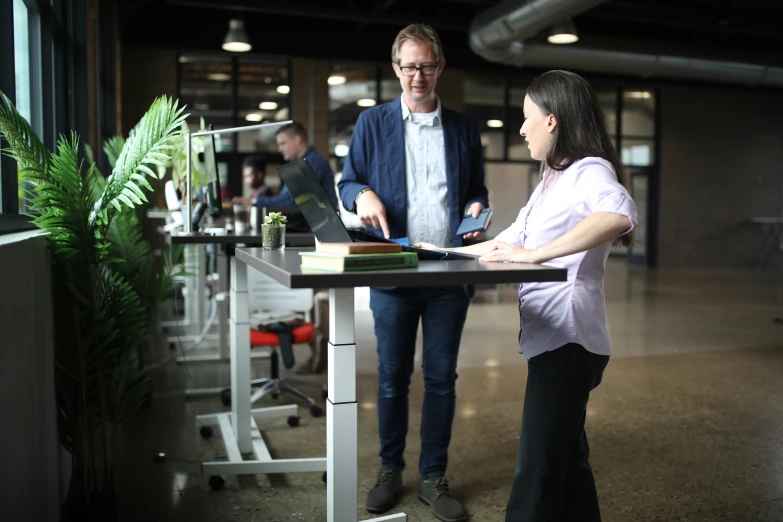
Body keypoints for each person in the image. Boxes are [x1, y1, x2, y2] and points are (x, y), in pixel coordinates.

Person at [416, 70, 637, 522]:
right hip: (553, 339)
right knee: (568, 462)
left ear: (552, 121)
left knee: (535, 469)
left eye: (526, 118)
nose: (520, 128)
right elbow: (506, 240)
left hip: (569, 340)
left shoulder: (589, 170)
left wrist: (536, 255)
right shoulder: (552, 180)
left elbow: (617, 213)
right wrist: (438, 252)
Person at [338, 23, 489, 522]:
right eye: (408, 66)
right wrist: (361, 194)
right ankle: (388, 471)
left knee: (441, 378)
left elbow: (477, 191)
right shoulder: (372, 123)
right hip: (394, 267)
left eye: (426, 65)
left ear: (440, 66)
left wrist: (474, 209)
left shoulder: (464, 129)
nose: (417, 75)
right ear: (396, 69)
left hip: (447, 272)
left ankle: (432, 477)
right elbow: (347, 183)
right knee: (391, 379)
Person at [232, 121, 338, 209]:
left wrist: (253, 201)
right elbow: (286, 199)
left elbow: (289, 202)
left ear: (297, 140)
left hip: (314, 232)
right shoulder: (304, 163)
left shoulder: (311, 163)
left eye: (283, 143)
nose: (280, 149)